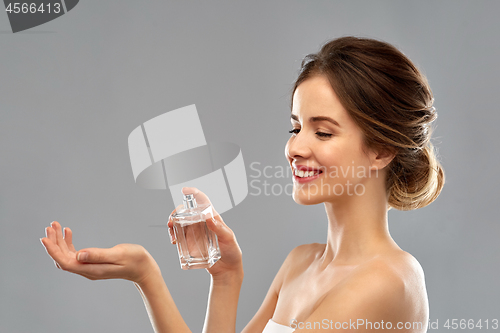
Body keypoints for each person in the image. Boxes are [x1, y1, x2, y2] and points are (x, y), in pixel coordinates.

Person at [40, 36, 445, 333]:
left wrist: (149, 277)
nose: (295, 148)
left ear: (380, 150)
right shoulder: (300, 263)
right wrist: (219, 278)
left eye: (322, 133)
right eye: (295, 127)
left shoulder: (389, 280)